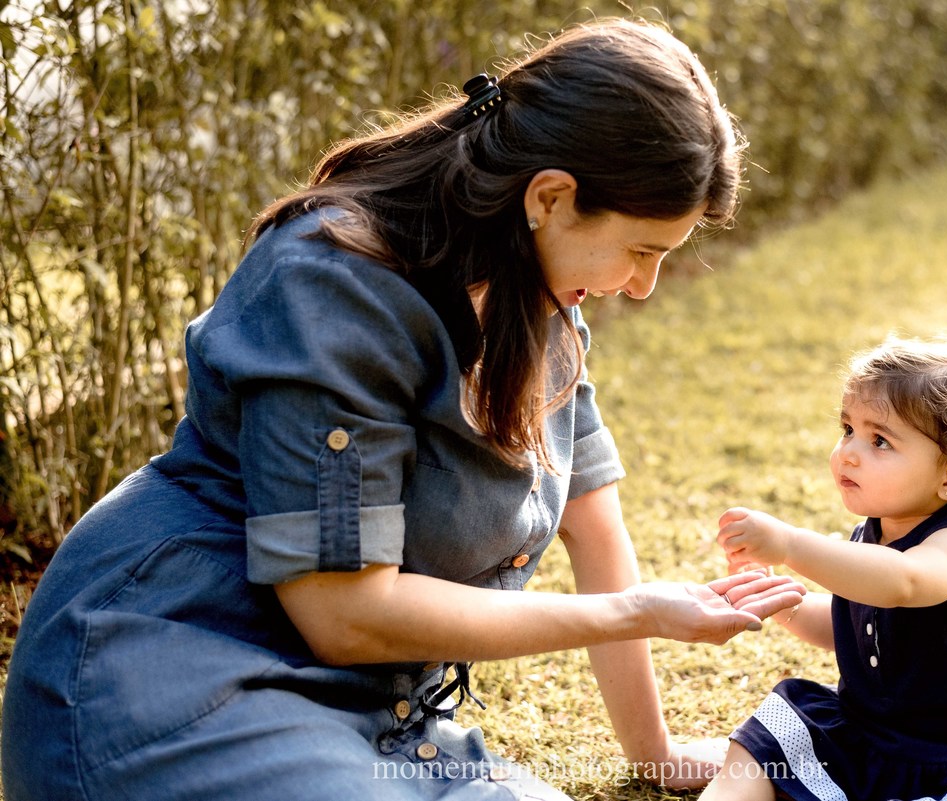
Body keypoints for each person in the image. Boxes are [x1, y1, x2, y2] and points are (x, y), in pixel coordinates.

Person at [1, 19, 806, 801]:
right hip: (169, 671)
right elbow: (346, 615)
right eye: (641, 251)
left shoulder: (543, 305)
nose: (644, 286)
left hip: (374, 714)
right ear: (551, 196)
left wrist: (657, 754)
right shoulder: (333, 281)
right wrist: (635, 612)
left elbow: (595, 528)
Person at [705, 337, 947, 801]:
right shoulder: (868, 539)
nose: (848, 452)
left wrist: (790, 544)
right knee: (771, 736)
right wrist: (781, 602)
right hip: (866, 743)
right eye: (847, 428)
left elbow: (903, 583)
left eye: (880, 441)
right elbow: (845, 622)